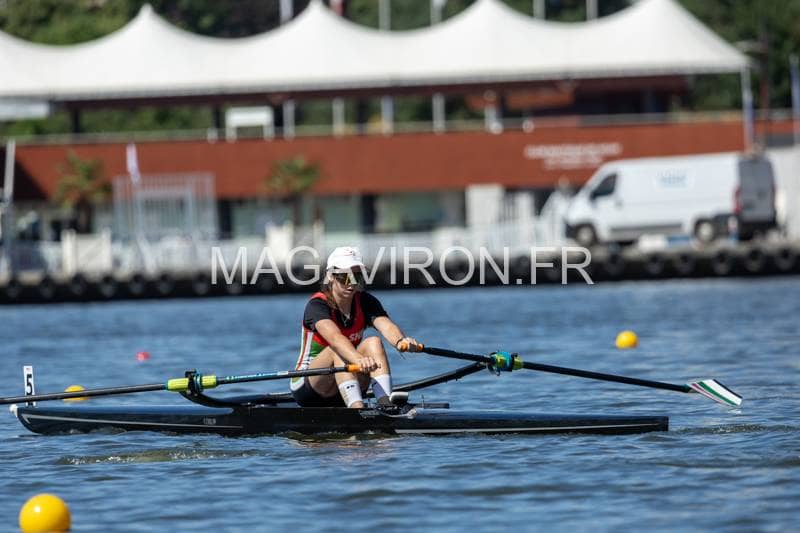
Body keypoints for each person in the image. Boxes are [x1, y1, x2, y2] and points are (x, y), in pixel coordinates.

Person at [291, 246, 421, 408]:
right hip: (309, 386)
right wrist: (359, 359)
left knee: (373, 342)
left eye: (357, 277)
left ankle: (386, 404)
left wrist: (401, 341)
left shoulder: (365, 301)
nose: (352, 284)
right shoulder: (317, 305)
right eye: (345, 277)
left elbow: (386, 326)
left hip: (346, 379)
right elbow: (335, 339)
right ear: (331, 276)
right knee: (338, 349)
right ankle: (357, 409)